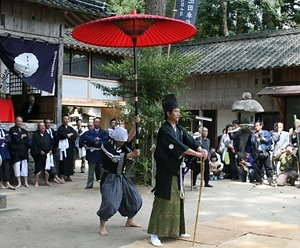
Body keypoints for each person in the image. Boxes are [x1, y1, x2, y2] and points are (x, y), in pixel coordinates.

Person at [147, 94, 207, 247]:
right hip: (166, 171)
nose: (178, 114)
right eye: (175, 111)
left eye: (179, 111)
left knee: (178, 199)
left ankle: (178, 230)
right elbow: (177, 146)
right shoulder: (165, 130)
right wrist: (196, 154)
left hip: (176, 170)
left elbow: (188, 140)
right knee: (163, 199)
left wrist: (200, 149)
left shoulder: (178, 129)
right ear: (168, 113)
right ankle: (155, 233)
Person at [97, 125, 142, 236]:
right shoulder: (105, 145)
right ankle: (102, 225)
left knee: (135, 199)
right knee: (110, 203)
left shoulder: (122, 144)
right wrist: (132, 154)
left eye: (123, 141)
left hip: (122, 177)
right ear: (115, 139)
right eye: (120, 141)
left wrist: (135, 123)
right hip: (109, 178)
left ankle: (129, 220)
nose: (123, 143)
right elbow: (114, 157)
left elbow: (130, 137)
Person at [31, 122, 63, 186]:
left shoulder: (47, 134)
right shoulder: (35, 135)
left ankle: (46, 181)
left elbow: (51, 143)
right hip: (39, 154)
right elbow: (34, 145)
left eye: (43, 126)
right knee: (38, 168)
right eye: (41, 126)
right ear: (38, 127)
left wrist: (51, 150)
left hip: (47, 154)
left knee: (47, 168)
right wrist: (39, 151)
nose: (42, 127)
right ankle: (36, 182)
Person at [245, 121, 275, 186]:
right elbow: (249, 144)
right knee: (258, 168)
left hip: (264, 152)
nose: (256, 127)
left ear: (261, 126)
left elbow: (268, 141)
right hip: (256, 152)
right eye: (255, 126)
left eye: (258, 125)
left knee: (268, 167)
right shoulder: (252, 135)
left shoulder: (265, 132)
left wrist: (261, 138)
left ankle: (270, 180)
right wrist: (248, 153)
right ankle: (259, 180)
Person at [82, 117, 109, 189]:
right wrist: (95, 139)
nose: (97, 123)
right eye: (96, 122)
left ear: (100, 123)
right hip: (92, 152)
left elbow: (106, 139)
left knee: (102, 169)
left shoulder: (104, 132)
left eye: (98, 122)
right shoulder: (89, 132)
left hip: (101, 152)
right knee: (91, 169)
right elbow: (87, 138)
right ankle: (90, 184)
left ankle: (104, 184)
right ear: (94, 123)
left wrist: (99, 140)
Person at [9, 116, 30, 188]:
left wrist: (20, 138)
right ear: (15, 122)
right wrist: (21, 137)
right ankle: (19, 182)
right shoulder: (12, 130)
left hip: (23, 150)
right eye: (18, 121)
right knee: (17, 166)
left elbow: (27, 141)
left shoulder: (24, 130)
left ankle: (25, 182)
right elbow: (15, 140)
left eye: (20, 121)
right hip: (16, 151)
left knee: (24, 166)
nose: (19, 123)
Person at [57, 116, 77, 182]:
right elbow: (62, 135)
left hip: (70, 147)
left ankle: (69, 176)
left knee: (70, 161)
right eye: (65, 119)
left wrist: (69, 135)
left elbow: (75, 135)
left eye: (67, 119)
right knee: (63, 161)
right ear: (62, 120)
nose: (66, 120)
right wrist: (68, 135)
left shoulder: (70, 128)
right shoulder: (60, 128)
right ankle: (62, 176)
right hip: (63, 147)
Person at [0, 119, 15, 190]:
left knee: (7, 167)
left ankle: (7, 183)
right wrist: (2, 139)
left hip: (5, 152)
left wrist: (3, 139)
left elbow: (9, 139)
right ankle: (0, 183)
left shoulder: (4, 131)